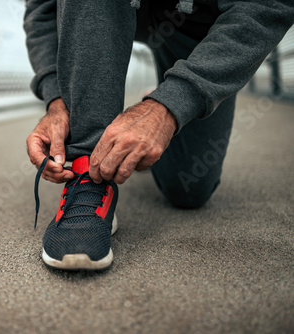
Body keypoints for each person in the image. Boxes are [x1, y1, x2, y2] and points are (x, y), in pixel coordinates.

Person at [24, 0, 294, 270]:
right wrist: (56, 98)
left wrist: (170, 106)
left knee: (188, 188)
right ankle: (91, 178)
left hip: (198, 24)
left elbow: (269, 5)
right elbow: (42, 7)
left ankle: (157, 97)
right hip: (104, 10)